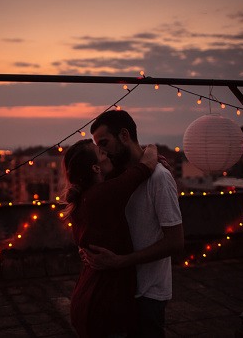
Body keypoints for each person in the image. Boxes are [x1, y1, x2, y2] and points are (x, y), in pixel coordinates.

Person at [83, 109, 185, 338]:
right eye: (98, 146)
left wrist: (121, 261)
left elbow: (176, 242)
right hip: (121, 288)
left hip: (149, 292)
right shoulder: (119, 175)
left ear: (124, 135)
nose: (102, 151)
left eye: (105, 143)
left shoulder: (159, 177)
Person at [63, 139, 159, 338]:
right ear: (96, 168)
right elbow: (148, 164)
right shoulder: (105, 193)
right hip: (105, 308)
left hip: (87, 300)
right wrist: (153, 148)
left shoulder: (86, 197)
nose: (107, 152)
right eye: (102, 152)